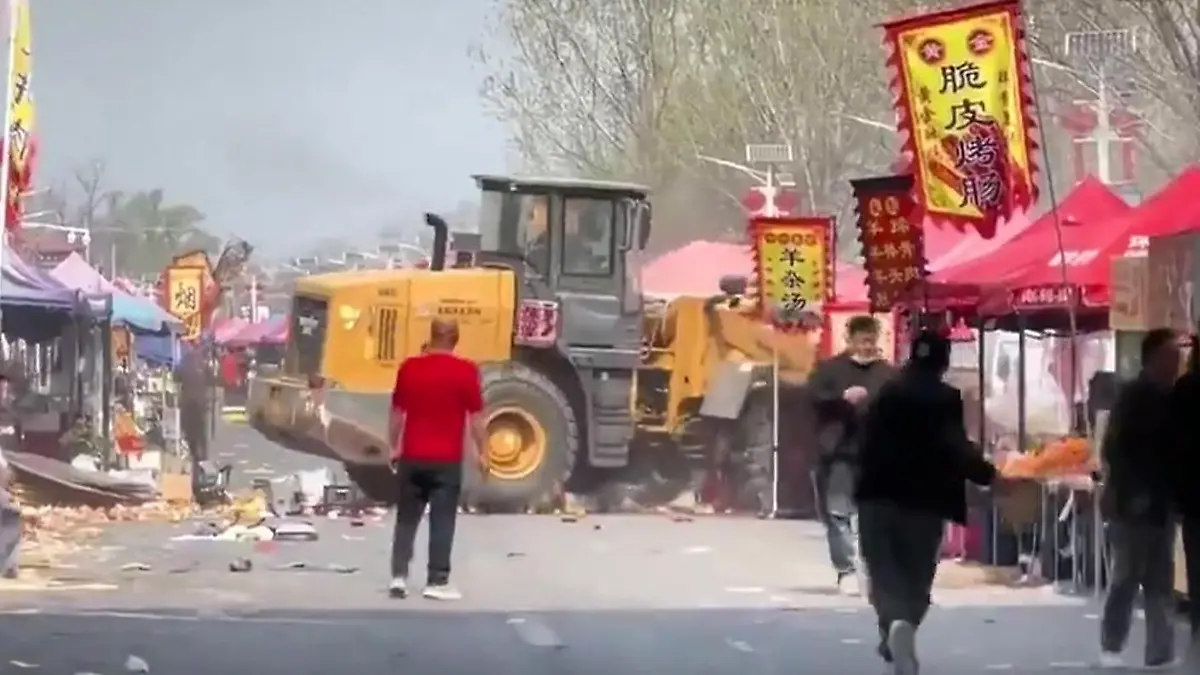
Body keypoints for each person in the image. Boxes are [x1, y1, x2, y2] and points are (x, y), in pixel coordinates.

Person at [855, 330, 999, 675]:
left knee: (884, 571)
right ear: (943, 361)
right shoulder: (945, 398)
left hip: (877, 496)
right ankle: (903, 625)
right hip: (924, 502)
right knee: (917, 575)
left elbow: (863, 440)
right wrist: (988, 474)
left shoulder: (886, 392)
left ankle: (892, 626)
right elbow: (954, 445)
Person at [388, 318, 488, 601]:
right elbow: (477, 418)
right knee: (442, 520)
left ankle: (399, 577)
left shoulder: (409, 368)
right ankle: (437, 580)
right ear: (455, 339)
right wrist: (483, 451)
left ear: (431, 336)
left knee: (407, 518)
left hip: (412, 456)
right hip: (446, 460)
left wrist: (393, 446)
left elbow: (397, 413)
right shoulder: (466, 372)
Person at [1100, 327, 1179, 669]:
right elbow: (1114, 449)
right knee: (1126, 577)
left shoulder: (1175, 399)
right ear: (1152, 359)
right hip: (1132, 504)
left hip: (1162, 504)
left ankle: (1160, 652)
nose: (1176, 363)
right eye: (1170, 356)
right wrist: (1129, 491)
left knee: (1161, 580)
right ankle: (1111, 646)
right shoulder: (1132, 397)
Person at [807, 315, 895, 593]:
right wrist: (841, 399)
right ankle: (845, 569)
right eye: (862, 340)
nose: (867, 346)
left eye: (871, 340)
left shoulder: (888, 374)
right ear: (850, 339)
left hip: (878, 455)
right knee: (838, 512)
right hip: (840, 452)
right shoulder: (830, 369)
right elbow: (812, 398)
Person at [1170, 332, 1200, 665]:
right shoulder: (1187, 388)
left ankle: (1197, 630)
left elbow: (1171, 445)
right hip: (1192, 494)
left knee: (1196, 564)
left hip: (1192, 495)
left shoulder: (1186, 388)